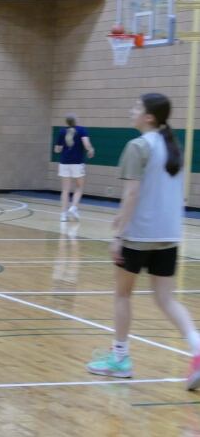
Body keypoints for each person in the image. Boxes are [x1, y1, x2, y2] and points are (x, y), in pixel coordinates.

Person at [86, 93, 200, 390]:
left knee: (122, 295)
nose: (131, 110)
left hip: (138, 236)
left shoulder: (137, 146)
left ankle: (120, 359)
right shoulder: (172, 146)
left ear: (149, 116)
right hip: (169, 235)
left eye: (137, 107)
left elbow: (132, 195)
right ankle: (198, 349)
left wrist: (118, 235)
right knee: (166, 299)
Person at [54, 115, 95, 221]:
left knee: (65, 190)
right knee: (79, 187)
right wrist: (90, 150)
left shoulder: (62, 131)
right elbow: (86, 144)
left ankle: (63, 215)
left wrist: (62, 148)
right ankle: (73, 207)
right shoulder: (81, 130)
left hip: (64, 163)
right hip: (77, 163)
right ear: (76, 121)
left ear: (66, 122)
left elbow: (57, 149)